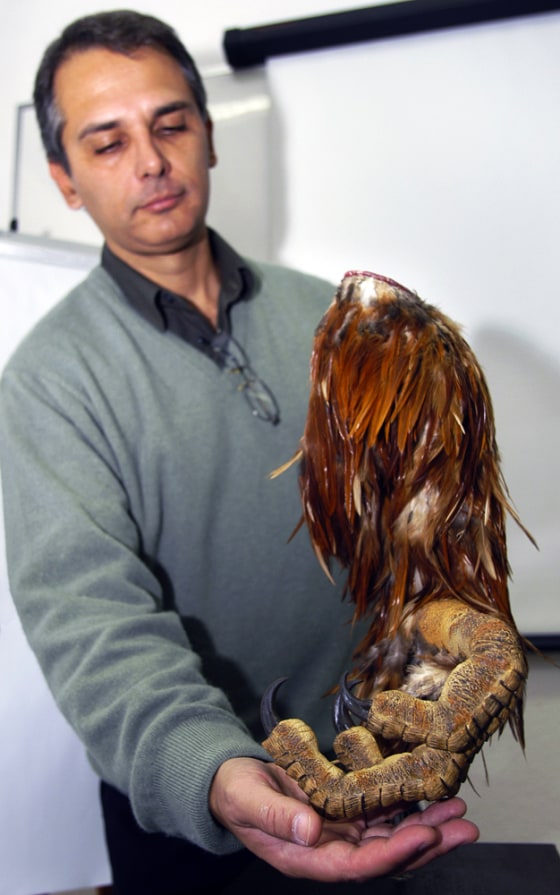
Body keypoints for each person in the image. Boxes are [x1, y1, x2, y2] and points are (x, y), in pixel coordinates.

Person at [0, 10, 478, 894]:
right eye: (107, 143)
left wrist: (419, 712)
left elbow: (416, 542)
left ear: (209, 138)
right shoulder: (47, 384)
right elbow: (97, 628)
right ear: (65, 180)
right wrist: (217, 774)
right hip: (201, 809)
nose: (151, 160)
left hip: (374, 776)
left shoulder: (340, 324)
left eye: (170, 124)